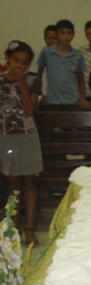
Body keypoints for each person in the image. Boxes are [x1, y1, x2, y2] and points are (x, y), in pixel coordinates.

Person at [0, 41, 43, 246]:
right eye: (15, 60)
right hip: (6, 137)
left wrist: (23, 84)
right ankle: (13, 226)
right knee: (13, 182)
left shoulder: (33, 81)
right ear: (7, 59)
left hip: (28, 137)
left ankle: (30, 228)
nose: (19, 66)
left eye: (24, 63)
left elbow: (29, 111)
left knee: (29, 182)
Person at [36, 19, 90, 107]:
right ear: (57, 34)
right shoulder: (46, 52)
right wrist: (39, 95)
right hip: (52, 100)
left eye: (69, 33)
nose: (66, 36)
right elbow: (39, 76)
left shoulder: (77, 55)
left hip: (73, 100)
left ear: (73, 35)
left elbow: (81, 81)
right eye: (62, 33)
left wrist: (82, 98)